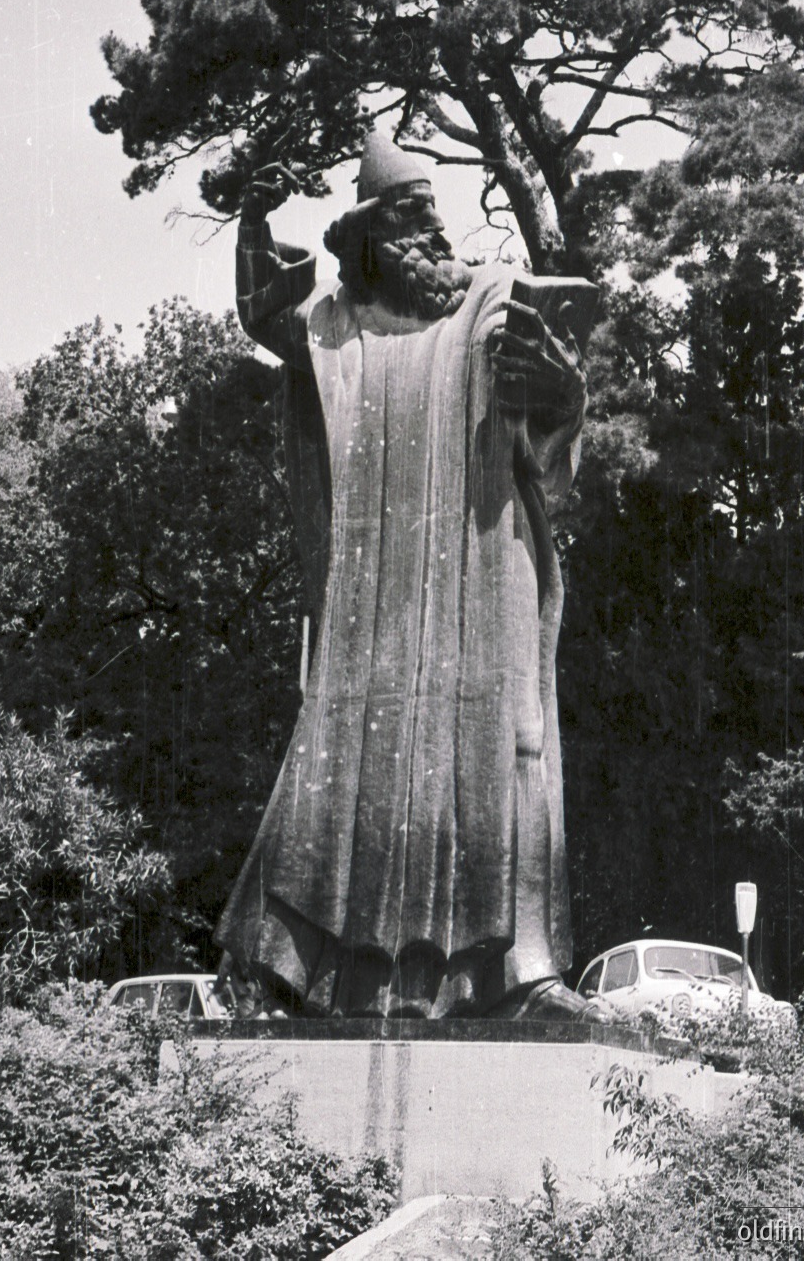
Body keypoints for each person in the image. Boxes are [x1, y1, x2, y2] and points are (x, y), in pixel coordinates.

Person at [215, 132, 601, 1020]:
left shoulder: (490, 303)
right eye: (408, 211)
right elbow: (266, 316)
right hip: (375, 596)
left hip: (479, 575)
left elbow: (552, 434)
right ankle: (293, 970)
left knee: (504, 757)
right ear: (368, 235)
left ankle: (521, 975)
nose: (432, 227)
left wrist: (564, 397)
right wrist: (252, 223)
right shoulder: (337, 324)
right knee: (341, 759)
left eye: (434, 208)